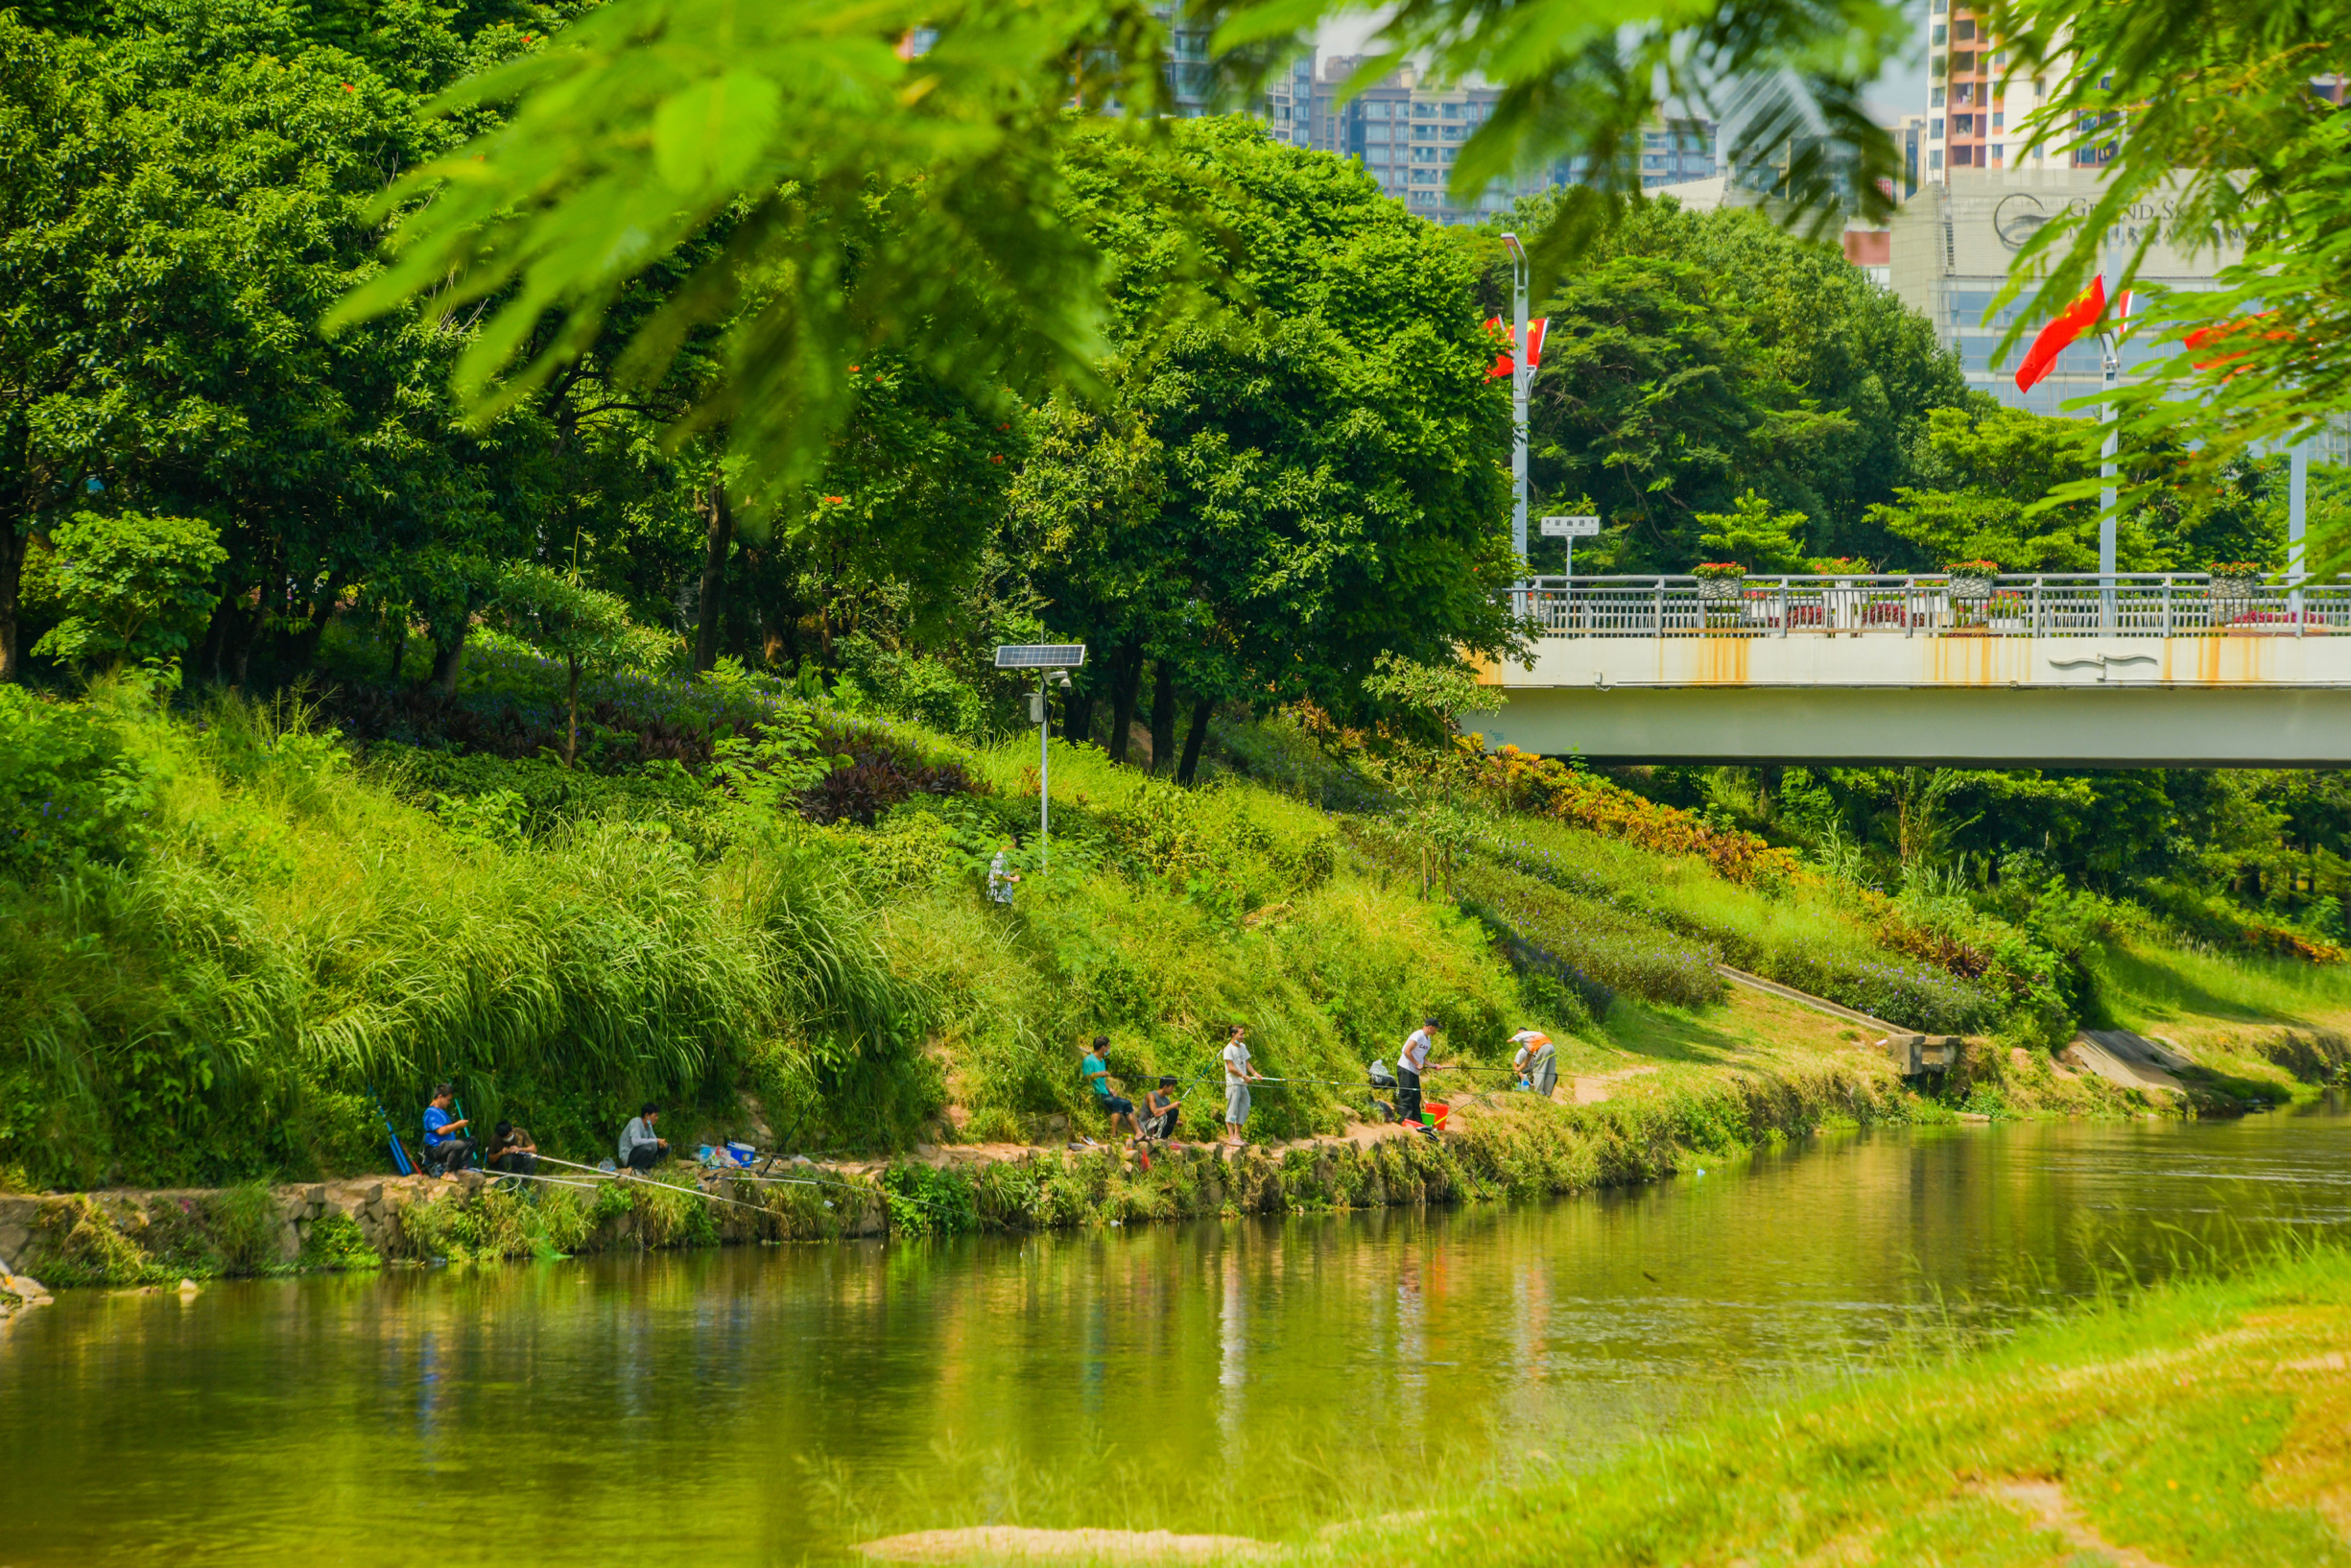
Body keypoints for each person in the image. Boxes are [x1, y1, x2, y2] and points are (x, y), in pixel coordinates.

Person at [1079, 1036, 1138, 1140]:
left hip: (1105, 1092)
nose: (1109, 1049)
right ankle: (1113, 1135)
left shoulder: (1102, 1061)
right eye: (1108, 1046)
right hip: (1096, 1094)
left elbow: (1103, 1081)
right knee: (1118, 1103)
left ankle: (1138, 1133)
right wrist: (1099, 1073)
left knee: (1127, 1103)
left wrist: (1110, 1089)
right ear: (1103, 1047)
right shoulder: (1088, 1060)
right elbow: (1086, 1078)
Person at [1397, 1017, 1442, 1133]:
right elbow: (1407, 1051)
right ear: (1430, 1027)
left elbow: (1422, 1057)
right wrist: (1417, 1063)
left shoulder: (1428, 1041)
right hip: (1405, 1068)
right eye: (1436, 1028)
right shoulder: (1418, 1035)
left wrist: (1433, 1065)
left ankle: (1417, 1121)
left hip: (1414, 1072)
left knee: (1416, 1096)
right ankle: (1406, 1121)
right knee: (1406, 1095)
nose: (1436, 1031)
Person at [420, 1084, 476, 1176]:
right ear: (440, 1097)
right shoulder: (431, 1112)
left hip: (446, 1146)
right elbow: (441, 1131)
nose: (449, 1102)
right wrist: (457, 1125)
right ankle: (448, 1173)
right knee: (459, 1144)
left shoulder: (442, 1112)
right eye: (448, 1099)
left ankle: (457, 1168)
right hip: (435, 1149)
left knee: (472, 1141)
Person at [1221, 1024, 1263, 1146]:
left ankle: (1237, 1135)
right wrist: (1243, 1076)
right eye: (1241, 1034)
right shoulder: (1228, 1049)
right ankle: (1231, 1137)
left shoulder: (1242, 1047)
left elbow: (1246, 1062)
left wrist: (1255, 1073)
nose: (1243, 1036)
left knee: (1245, 1107)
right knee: (1232, 1110)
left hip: (1243, 1085)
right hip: (1234, 1084)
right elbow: (1230, 1068)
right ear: (1233, 1035)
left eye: (1243, 1034)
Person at [618, 1104, 670, 1172]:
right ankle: (636, 1168)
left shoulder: (649, 1126)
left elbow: (653, 1139)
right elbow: (635, 1142)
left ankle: (647, 1167)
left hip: (639, 1152)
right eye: (655, 1115)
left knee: (667, 1148)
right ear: (647, 1115)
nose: (657, 1118)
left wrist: (661, 1144)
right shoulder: (636, 1122)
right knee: (652, 1146)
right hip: (628, 1156)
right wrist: (656, 1140)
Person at [1510, 1030, 1558, 1099]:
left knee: (1552, 1074)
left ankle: (1543, 1094)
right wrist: (1521, 1075)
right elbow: (1515, 1066)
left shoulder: (1536, 1048)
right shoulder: (1522, 1052)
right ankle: (1521, 1092)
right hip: (1524, 1074)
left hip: (1532, 1074)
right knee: (1519, 1080)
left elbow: (1538, 1068)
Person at [1140, 1076, 1181, 1143]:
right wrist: (1172, 1105)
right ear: (1165, 1087)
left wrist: (1177, 1121)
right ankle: (1156, 1137)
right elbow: (1155, 1112)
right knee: (1162, 1114)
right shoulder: (1151, 1095)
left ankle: (1164, 1136)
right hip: (1147, 1126)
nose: (1173, 1089)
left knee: (1174, 1111)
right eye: (1172, 1087)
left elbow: (1169, 1113)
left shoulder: (1167, 1100)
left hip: (1157, 1124)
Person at [988, 842, 1022, 906]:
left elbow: (1001, 873)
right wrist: (1013, 879)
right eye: (1014, 845)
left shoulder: (1003, 857)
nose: (1015, 848)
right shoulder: (999, 858)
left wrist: (1013, 872)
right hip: (999, 897)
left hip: (1003, 897)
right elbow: (997, 876)